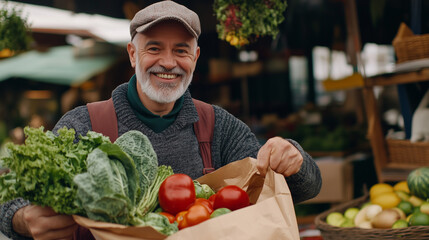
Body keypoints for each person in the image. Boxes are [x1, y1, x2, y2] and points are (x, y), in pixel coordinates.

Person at [0, 1, 322, 239]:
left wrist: (293, 159)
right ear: (132, 54)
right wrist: (21, 218)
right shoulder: (84, 125)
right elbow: (10, 198)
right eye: (154, 48)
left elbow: (306, 188)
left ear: (195, 58)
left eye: (181, 51)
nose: (168, 63)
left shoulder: (219, 126)